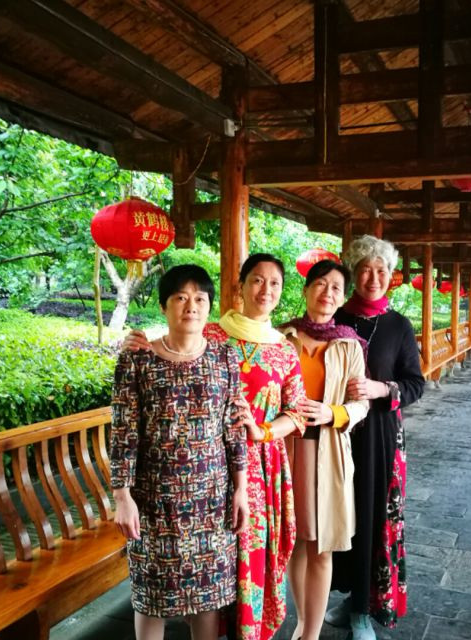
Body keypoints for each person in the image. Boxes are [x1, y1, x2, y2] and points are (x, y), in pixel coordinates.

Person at [122, 254, 305, 640]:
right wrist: (122, 495)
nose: (266, 290)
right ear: (240, 286)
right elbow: (126, 428)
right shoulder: (203, 338)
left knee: (220, 581)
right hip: (164, 487)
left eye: (274, 282)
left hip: (237, 480)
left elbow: (286, 414)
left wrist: (257, 444)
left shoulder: (272, 351)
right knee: (159, 588)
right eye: (257, 280)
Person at [110, 264, 249, 640]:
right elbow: (123, 433)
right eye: (180, 298)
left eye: (200, 299)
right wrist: (122, 497)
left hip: (212, 499)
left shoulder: (224, 358)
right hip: (154, 500)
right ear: (163, 305)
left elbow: (234, 429)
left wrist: (241, 489)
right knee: (151, 596)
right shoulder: (137, 360)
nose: (191, 306)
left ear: (209, 307)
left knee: (207, 597)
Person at [327, 236, 425, 639]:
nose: (373, 277)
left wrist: (381, 388)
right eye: (365, 269)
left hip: (380, 438)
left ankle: (363, 611)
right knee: (338, 516)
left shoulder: (398, 325)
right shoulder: (333, 317)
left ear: (391, 276)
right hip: (334, 434)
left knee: (371, 518)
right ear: (353, 273)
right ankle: (349, 596)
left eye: (381, 270)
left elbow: (415, 384)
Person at [278, 260, 369, 640]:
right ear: (305, 290)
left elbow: (361, 404)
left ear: (343, 298)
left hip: (328, 452)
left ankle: (311, 634)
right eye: (320, 284)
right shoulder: (280, 337)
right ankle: (302, 622)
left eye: (335, 288)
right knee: (295, 542)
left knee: (321, 546)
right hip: (284, 449)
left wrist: (333, 413)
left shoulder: (349, 345)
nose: (327, 293)